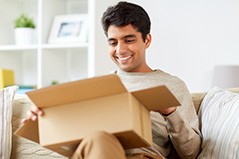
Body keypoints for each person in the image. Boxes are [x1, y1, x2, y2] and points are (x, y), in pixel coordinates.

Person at [24, 1, 201, 159]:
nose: (120, 50)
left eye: (129, 40)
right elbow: (77, 146)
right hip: (96, 151)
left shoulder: (172, 86)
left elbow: (192, 153)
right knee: (99, 139)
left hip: (143, 156)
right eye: (113, 42)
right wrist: (46, 120)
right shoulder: (99, 86)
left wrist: (171, 113)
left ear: (147, 40)